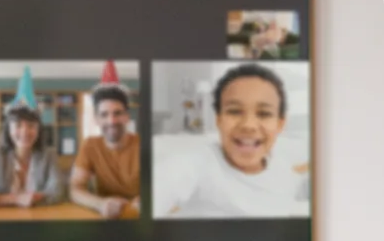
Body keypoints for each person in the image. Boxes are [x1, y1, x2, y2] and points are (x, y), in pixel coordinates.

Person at [153, 63, 309, 218]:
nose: (248, 125)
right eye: (234, 111)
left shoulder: (285, 169)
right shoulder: (195, 163)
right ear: (219, 120)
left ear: (280, 124)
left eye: (264, 113)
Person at [0, 66, 65, 211]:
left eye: (31, 125)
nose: (25, 132)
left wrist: (29, 200)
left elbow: (58, 191)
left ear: (38, 129)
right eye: (18, 125)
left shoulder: (49, 155)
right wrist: (15, 199)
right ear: (8, 128)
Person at [69, 84, 141, 219]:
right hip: (106, 216)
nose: (111, 121)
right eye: (104, 114)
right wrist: (100, 204)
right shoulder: (90, 145)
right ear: (96, 119)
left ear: (127, 116)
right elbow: (75, 188)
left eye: (117, 113)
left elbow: (165, 184)